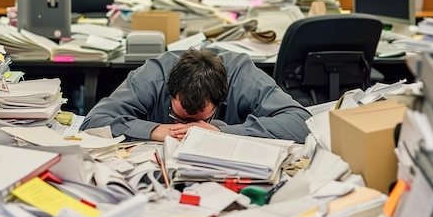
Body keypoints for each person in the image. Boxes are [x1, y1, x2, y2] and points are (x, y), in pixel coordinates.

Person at [80, 48, 311, 143]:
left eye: (201, 119)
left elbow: (302, 122)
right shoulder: (153, 77)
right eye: (178, 117)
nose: (187, 129)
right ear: (170, 90)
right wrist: (155, 130)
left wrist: (221, 132)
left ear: (222, 97)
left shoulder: (243, 78)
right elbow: (92, 122)